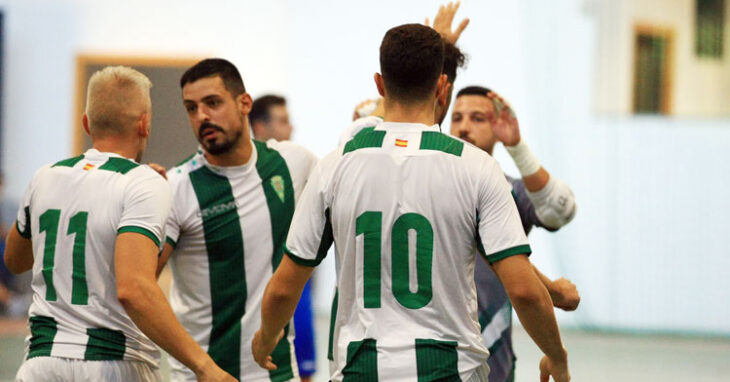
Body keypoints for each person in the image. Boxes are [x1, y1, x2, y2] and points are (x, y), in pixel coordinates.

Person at [253, 23, 570, 382]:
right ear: (442, 87)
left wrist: (266, 340)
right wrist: (556, 357)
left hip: (361, 370)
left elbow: (284, 287)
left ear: (380, 85)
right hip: (453, 372)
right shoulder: (479, 167)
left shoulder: (334, 166)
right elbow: (525, 292)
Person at [2, 66, 235, 382]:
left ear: (87, 122)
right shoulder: (143, 183)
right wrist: (205, 368)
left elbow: (15, 260)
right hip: (112, 362)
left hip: (40, 364)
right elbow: (134, 289)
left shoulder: (45, 176)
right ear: (144, 123)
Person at [157, 58, 317, 382]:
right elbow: (138, 286)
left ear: (244, 103)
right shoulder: (176, 187)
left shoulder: (292, 164)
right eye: (191, 108)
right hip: (202, 377)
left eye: (213, 103)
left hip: (278, 374)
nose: (202, 116)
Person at [450, 86, 578, 382]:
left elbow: (561, 210)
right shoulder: (431, 183)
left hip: (494, 356)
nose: (464, 127)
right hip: (438, 348)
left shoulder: (509, 192)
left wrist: (518, 148)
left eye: (477, 118)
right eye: (456, 118)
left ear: (497, 128)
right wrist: (553, 290)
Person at [249, 94, 318, 382]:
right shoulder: (236, 181)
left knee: (304, 373)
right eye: (283, 121)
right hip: (255, 297)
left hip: (295, 292)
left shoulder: (298, 165)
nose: (291, 129)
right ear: (260, 128)